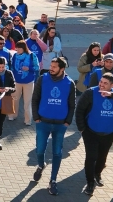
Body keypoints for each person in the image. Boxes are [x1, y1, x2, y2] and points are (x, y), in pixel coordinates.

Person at [31, 57, 76, 196]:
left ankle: (53, 180)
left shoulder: (69, 83)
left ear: (62, 69)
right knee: (39, 150)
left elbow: (71, 104)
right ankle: (40, 165)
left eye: (54, 67)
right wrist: (36, 117)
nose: (51, 68)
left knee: (57, 153)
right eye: (51, 65)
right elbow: (35, 99)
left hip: (60, 125)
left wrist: (68, 121)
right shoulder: (42, 79)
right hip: (43, 122)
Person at [76, 73, 113, 195]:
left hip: (109, 133)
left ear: (112, 85)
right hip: (90, 132)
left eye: (105, 83)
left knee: (102, 157)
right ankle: (90, 183)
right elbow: (79, 110)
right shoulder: (90, 93)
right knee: (91, 157)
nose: (101, 84)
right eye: (101, 81)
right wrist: (81, 128)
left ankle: (98, 174)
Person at [9, 40, 39, 124]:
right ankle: (12, 115)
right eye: (16, 48)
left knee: (27, 102)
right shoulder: (15, 55)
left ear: (23, 48)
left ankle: (28, 120)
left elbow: (37, 68)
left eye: (18, 48)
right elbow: (12, 67)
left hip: (28, 82)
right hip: (16, 81)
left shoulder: (32, 55)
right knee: (14, 99)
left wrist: (29, 68)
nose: (16, 49)